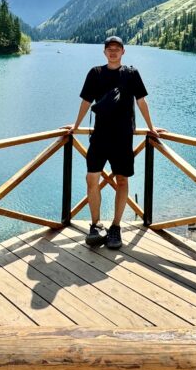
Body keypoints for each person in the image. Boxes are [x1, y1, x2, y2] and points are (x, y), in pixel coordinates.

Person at [64, 36, 162, 251]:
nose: (113, 51)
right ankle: (96, 226)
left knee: (122, 181)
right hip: (99, 136)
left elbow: (141, 101)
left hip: (123, 137)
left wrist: (151, 127)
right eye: (109, 48)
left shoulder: (131, 74)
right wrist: (76, 125)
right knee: (92, 178)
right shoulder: (95, 73)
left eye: (117, 48)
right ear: (104, 52)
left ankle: (116, 227)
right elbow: (86, 101)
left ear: (123, 51)